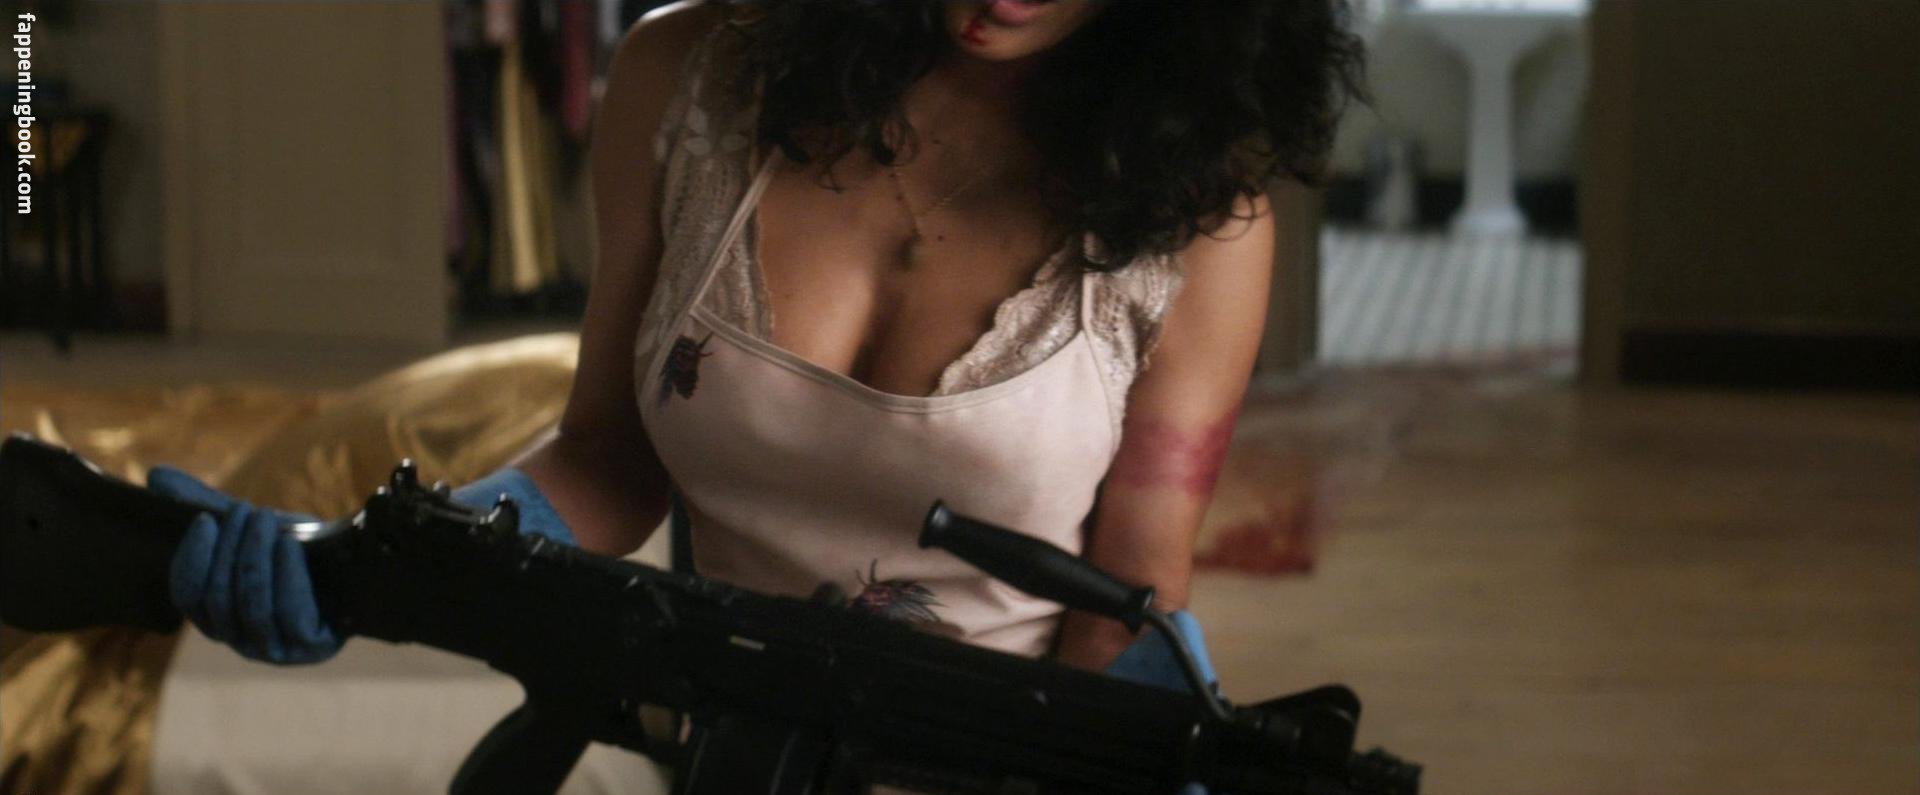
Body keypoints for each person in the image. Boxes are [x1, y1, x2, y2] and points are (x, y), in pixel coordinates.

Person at [157, 0, 1362, 700]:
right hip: (710, 742)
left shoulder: (1196, 219)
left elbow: (1129, 598)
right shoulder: (689, 85)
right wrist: (377, 564)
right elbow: (607, 461)